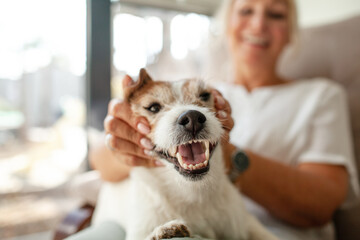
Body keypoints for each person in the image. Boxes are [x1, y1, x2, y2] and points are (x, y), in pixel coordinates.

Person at [74, 0, 359, 240]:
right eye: (246, 11)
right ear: (226, 25)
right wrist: (126, 140)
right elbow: (103, 164)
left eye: (275, 14)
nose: (258, 25)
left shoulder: (321, 95)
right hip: (159, 218)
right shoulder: (187, 90)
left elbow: (321, 205)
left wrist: (225, 152)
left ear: (291, 33)